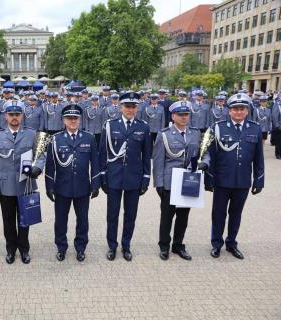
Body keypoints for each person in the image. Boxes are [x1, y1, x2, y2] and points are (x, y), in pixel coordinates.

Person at [205, 93, 264, 260]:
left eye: (242, 109)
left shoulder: (255, 129)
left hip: (243, 181)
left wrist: (259, 180)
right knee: (218, 214)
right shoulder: (218, 127)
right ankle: (216, 244)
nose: (238, 112)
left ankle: (231, 243)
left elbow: (259, 158)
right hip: (222, 180)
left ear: (247, 111)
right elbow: (211, 155)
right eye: (235, 109)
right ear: (229, 111)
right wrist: (209, 179)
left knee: (236, 214)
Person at [0, 100, 45, 264]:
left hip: (25, 184)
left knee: (25, 220)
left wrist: (38, 168)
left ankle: (24, 249)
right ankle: (11, 249)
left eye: (17, 114)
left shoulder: (31, 133)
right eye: (11, 114)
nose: (14, 117)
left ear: (22, 116)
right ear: (5, 116)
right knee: (8, 221)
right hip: (5, 186)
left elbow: (41, 155)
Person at [153, 101, 209, 261]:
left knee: (183, 217)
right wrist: (159, 184)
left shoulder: (196, 133)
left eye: (186, 115)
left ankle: (178, 245)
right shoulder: (164, 134)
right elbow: (158, 161)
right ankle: (164, 246)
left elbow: (204, 152)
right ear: (173, 116)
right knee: (166, 217)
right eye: (181, 115)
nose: (184, 118)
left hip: (188, 181)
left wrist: (205, 162)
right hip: (170, 182)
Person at [99, 92, 151, 261]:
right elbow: (103, 153)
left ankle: (126, 245)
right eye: (127, 106)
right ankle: (112, 246)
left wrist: (146, 178)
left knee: (130, 215)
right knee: (112, 215)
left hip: (134, 178)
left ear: (137, 108)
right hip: (114, 177)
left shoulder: (143, 127)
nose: (130, 109)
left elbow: (146, 155)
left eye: (133, 106)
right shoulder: (109, 125)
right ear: (120, 107)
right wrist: (103, 175)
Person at [45, 104, 100, 262]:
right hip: (62, 188)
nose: (72, 121)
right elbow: (50, 165)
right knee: (60, 221)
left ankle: (81, 248)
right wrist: (49, 187)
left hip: (83, 188)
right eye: (69, 118)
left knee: (82, 221)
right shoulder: (55, 139)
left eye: (75, 118)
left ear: (80, 120)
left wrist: (95, 184)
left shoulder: (89, 138)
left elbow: (95, 163)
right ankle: (61, 247)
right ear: (63, 120)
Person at [272, 94, 281, 159]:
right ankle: (278, 154)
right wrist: (277, 125)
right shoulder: (277, 104)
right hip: (279, 126)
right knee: (278, 141)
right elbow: (274, 116)